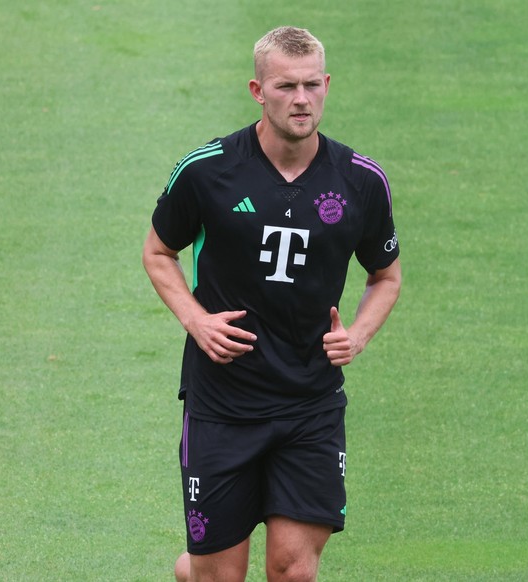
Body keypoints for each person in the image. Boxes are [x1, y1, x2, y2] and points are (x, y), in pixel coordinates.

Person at [142, 25, 401, 582]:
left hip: (310, 403)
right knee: (218, 577)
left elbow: (386, 275)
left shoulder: (361, 182)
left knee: (293, 571)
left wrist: (358, 334)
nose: (302, 99)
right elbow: (159, 251)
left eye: (312, 85)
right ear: (258, 92)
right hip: (223, 403)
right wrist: (195, 320)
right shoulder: (207, 170)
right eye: (286, 87)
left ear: (327, 84)